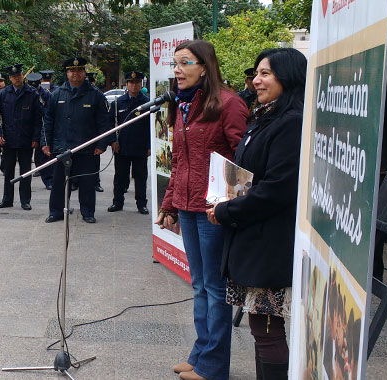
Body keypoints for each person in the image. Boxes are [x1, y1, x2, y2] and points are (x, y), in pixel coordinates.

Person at [207, 48, 307, 380]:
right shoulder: (264, 116)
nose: (257, 80)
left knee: (267, 327)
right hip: (252, 234)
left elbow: (276, 189)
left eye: (266, 73)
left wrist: (228, 211)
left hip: (271, 240)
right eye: (257, 73)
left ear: (288, 78)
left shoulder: (291, 123)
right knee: (261, 325)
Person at [154, 40, 248, 380]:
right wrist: (169, 206)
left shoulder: (229, 103)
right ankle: (200, 354)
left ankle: (213, 366)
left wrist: (229, 206)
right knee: (199, 286)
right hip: (187, 205)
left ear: (205, 67)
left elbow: (244, 159)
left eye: (185, 63)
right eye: (174, 64)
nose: (177, 70)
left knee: (214, 288)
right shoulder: (183, 106)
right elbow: (179, 160)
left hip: (213, 210)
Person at [42, 56, 112, 224]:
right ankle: (56, 211)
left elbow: (104, 122)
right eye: (72, 70)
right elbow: (47, 120)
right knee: (59, 183)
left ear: (84, 73)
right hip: (61, 146)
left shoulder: (95, 95)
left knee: (87, 182)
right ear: (66, 73)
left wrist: (102, 144)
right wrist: (46, 142)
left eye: (79, 70)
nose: (75, 74)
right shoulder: (57, 94)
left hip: (87, 147)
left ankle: (88, 212)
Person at [0, 64, 42, 210]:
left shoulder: (31, 93)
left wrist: (36, 137)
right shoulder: (3, 94)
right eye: (14, 77)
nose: (17, 78)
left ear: (22, 76)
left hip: (26, 139)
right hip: (8, 139)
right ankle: (7, 199)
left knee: (26, 172)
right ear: (10, 78)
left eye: (19, 75)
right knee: (8, 171)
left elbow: (38, 118)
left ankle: (25, 200)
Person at [107, 71, 150, 215]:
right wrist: (113, 141)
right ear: (127, 84)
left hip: (140, 146)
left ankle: (141, 204)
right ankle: (117, 202)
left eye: (137, 83)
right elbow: (110, 124)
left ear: (141, 84)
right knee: (120, 177)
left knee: (141, 177)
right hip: (122, 146)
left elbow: (152, 126)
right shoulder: (118, 102)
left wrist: (150, 146)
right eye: (131, 83)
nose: (134, 86)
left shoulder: (147, 103)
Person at [27, 72, 54, 190]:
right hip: (28, 128)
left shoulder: (46, 95)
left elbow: (48, 112)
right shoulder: (25, 93)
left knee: (43, 155)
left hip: (42, 127)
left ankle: (48, 180)